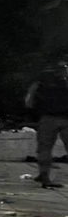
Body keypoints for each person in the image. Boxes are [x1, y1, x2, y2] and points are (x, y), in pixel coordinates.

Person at [25, 58, 68, 188]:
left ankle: (44, 176)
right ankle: (44, 177)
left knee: (44, 149)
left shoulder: (41, 81)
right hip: (66, 118)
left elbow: (29, 101)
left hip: (47, 118)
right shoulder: (65, 81)